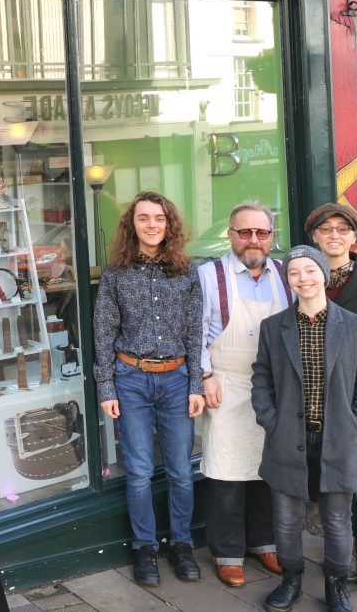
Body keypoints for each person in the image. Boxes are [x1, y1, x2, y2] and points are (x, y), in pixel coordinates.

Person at [251, 245, 357, 612]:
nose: (303, 279)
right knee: (287, 517)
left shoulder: (355, 326)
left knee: (338, 519)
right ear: (288, 280)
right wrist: (270, 420)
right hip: (288, 437)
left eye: (310, 270)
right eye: (295, 273)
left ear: (323, 274)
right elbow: (261, 378)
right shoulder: (273, 328)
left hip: (340, 436)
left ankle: (336, 584)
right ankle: (291, 579)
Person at [93, 191, 205, 587]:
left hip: (177, 380)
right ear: (132, 225)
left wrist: (195, 384)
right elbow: (104, 332)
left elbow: (195, 332)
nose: (152, 224)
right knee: (138, 472)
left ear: (169, 224)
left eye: (159, 218)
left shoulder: (187, 272)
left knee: (180, 471)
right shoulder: (115, 274)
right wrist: (106, 387)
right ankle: (144, 548)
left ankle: (181, 543)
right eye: (144, 218)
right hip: (131, 378)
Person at [198, 202, 290, 587]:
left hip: (274, 385)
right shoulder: (209, 275)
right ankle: (228, 552)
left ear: (271, 236)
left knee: (268, 467)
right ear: (231, 235)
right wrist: (204, 375)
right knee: (226, 472)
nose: (254, 240)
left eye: (262, 232)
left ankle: (264, 543)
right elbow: (195, 332)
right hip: (227, 382)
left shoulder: (286, 274)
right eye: (244, 232)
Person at [306, 202, 357, 593]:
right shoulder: (304, 277)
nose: (334, 235)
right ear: (314, 236)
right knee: (333, 474)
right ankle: (342, 547)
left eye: (342, 229)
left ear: (355, 237)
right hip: (318, 396)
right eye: (325, 229)